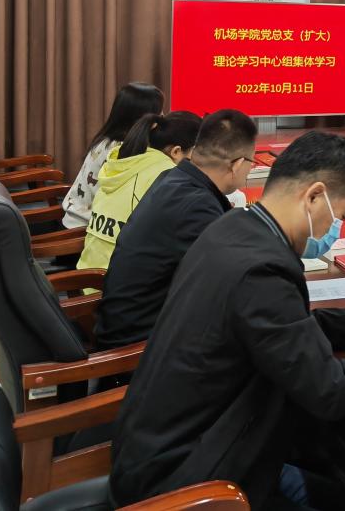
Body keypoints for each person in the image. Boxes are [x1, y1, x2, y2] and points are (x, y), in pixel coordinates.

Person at [110, 131, 345, 510]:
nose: (335, 227)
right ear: (314, 196)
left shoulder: (234, 227)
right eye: (341, 215)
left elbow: (285, 328)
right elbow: (329, 390)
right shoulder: (263, 268)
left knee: (337, 487)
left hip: (166, 450)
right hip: (190, 485)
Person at [94, 109, 257, 349]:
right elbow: (229, 284)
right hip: (140, 344)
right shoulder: (197, 205)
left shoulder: (175, 178)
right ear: (238, 164)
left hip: (130, 322)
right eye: (252, 162)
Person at [76, 111, 202, 275]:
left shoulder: (124, 160)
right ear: (176, 152)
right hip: (119, 281)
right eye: (197, 152)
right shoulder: (167, 176)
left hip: (85, 277)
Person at [61, 82, 164, 228]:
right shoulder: (124, 150)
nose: (163, 117)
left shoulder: (106, 141)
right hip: (88, 227)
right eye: (159, 113)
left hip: (74, 219)